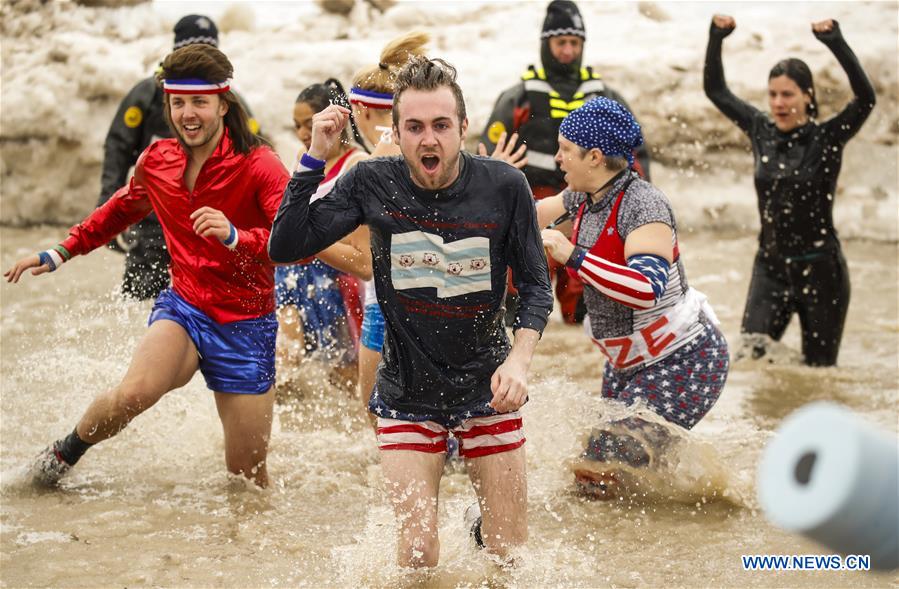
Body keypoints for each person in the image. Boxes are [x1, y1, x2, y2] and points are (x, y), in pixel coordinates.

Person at [269, 57, 553, 566]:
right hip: (405, 392)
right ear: (394, 133)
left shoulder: (505, 187)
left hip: (486, 390)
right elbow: (286, 244)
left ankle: (481, 529)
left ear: (463, 128)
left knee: (509, 556)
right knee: (418, 553)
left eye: (441, 126)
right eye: (415, 127)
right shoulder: (372, 182)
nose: (429, 140)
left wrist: (519, 360)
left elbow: (535, 285)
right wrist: (313, 159)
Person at [6, 44, 289, 488]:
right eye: (178, 103)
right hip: (186, 308)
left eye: (199, 102)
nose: (187, 114)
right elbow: (120, 209)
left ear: (223, 102)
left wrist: (236, 236)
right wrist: (59, 252)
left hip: (245, 325)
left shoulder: (260, 165)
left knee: (247, 478)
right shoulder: (158, 161)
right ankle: (60, 458)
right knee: (134, 393)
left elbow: (296, 241)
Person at [537, 97, 729, 497]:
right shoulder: (583, 197)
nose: (556, 158)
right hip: (630, 364)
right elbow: (523, 212)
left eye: (565, 150)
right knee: (609, 474)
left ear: (594, 157)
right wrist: (478, 182)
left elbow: (645, 288)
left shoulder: (644, 205)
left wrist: (570, 254)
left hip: (685, 360)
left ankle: (620, 551)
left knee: (600, 466)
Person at [704, 16, 875, 366]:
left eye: (787, 94)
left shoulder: (827, 138)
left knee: (818, 375)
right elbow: (716, 90)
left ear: (807, 96)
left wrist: (835, 41)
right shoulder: (759, 129)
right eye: (773, 95)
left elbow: (866, 99)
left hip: (821, 272)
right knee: (749, 361)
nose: (778, 103)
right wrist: (716, 37)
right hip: (771, 268)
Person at [481, 0, 650, 325]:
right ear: (547, 44)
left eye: (575, 43)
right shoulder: (519, 96)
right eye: (562, 43)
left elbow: (636, 156)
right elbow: (491, 155)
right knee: (518, 302)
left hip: (589, 208)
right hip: (533, 205)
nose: (568, 50)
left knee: (583, 310)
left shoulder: (605, 96)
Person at [99, 14, 263, 300]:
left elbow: (257, 160)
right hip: (153, 222)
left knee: (213, 305)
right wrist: (107, 211)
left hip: (211, 226)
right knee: (141, 300)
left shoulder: (229, 101)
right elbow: (118, 148)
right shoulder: (148, 94)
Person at [276, 80, 370, 379]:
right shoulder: (304, 161)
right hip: (294, 273)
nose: (304, 134)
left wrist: (306, 236)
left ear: (336, 122)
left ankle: (350, 427)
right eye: (297, 126)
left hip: (338, 280)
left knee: (344, 376)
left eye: (309, 124)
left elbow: (362, 244)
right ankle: (289, 426)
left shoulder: (358, 164)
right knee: (285, 360)